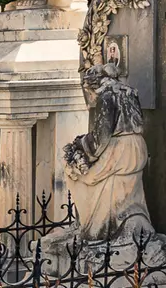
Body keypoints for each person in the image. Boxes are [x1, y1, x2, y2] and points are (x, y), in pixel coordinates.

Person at [63, 64, 153, 242]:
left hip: (119, 150)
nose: (92, 97)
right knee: (127, 190)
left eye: (90, 92)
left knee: (91, 179)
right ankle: (126, 227)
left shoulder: (107, 95)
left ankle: (99, 229)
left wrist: (82, 146)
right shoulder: (129, 92)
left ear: (94, 84)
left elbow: (102, 137)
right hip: (137, 145)